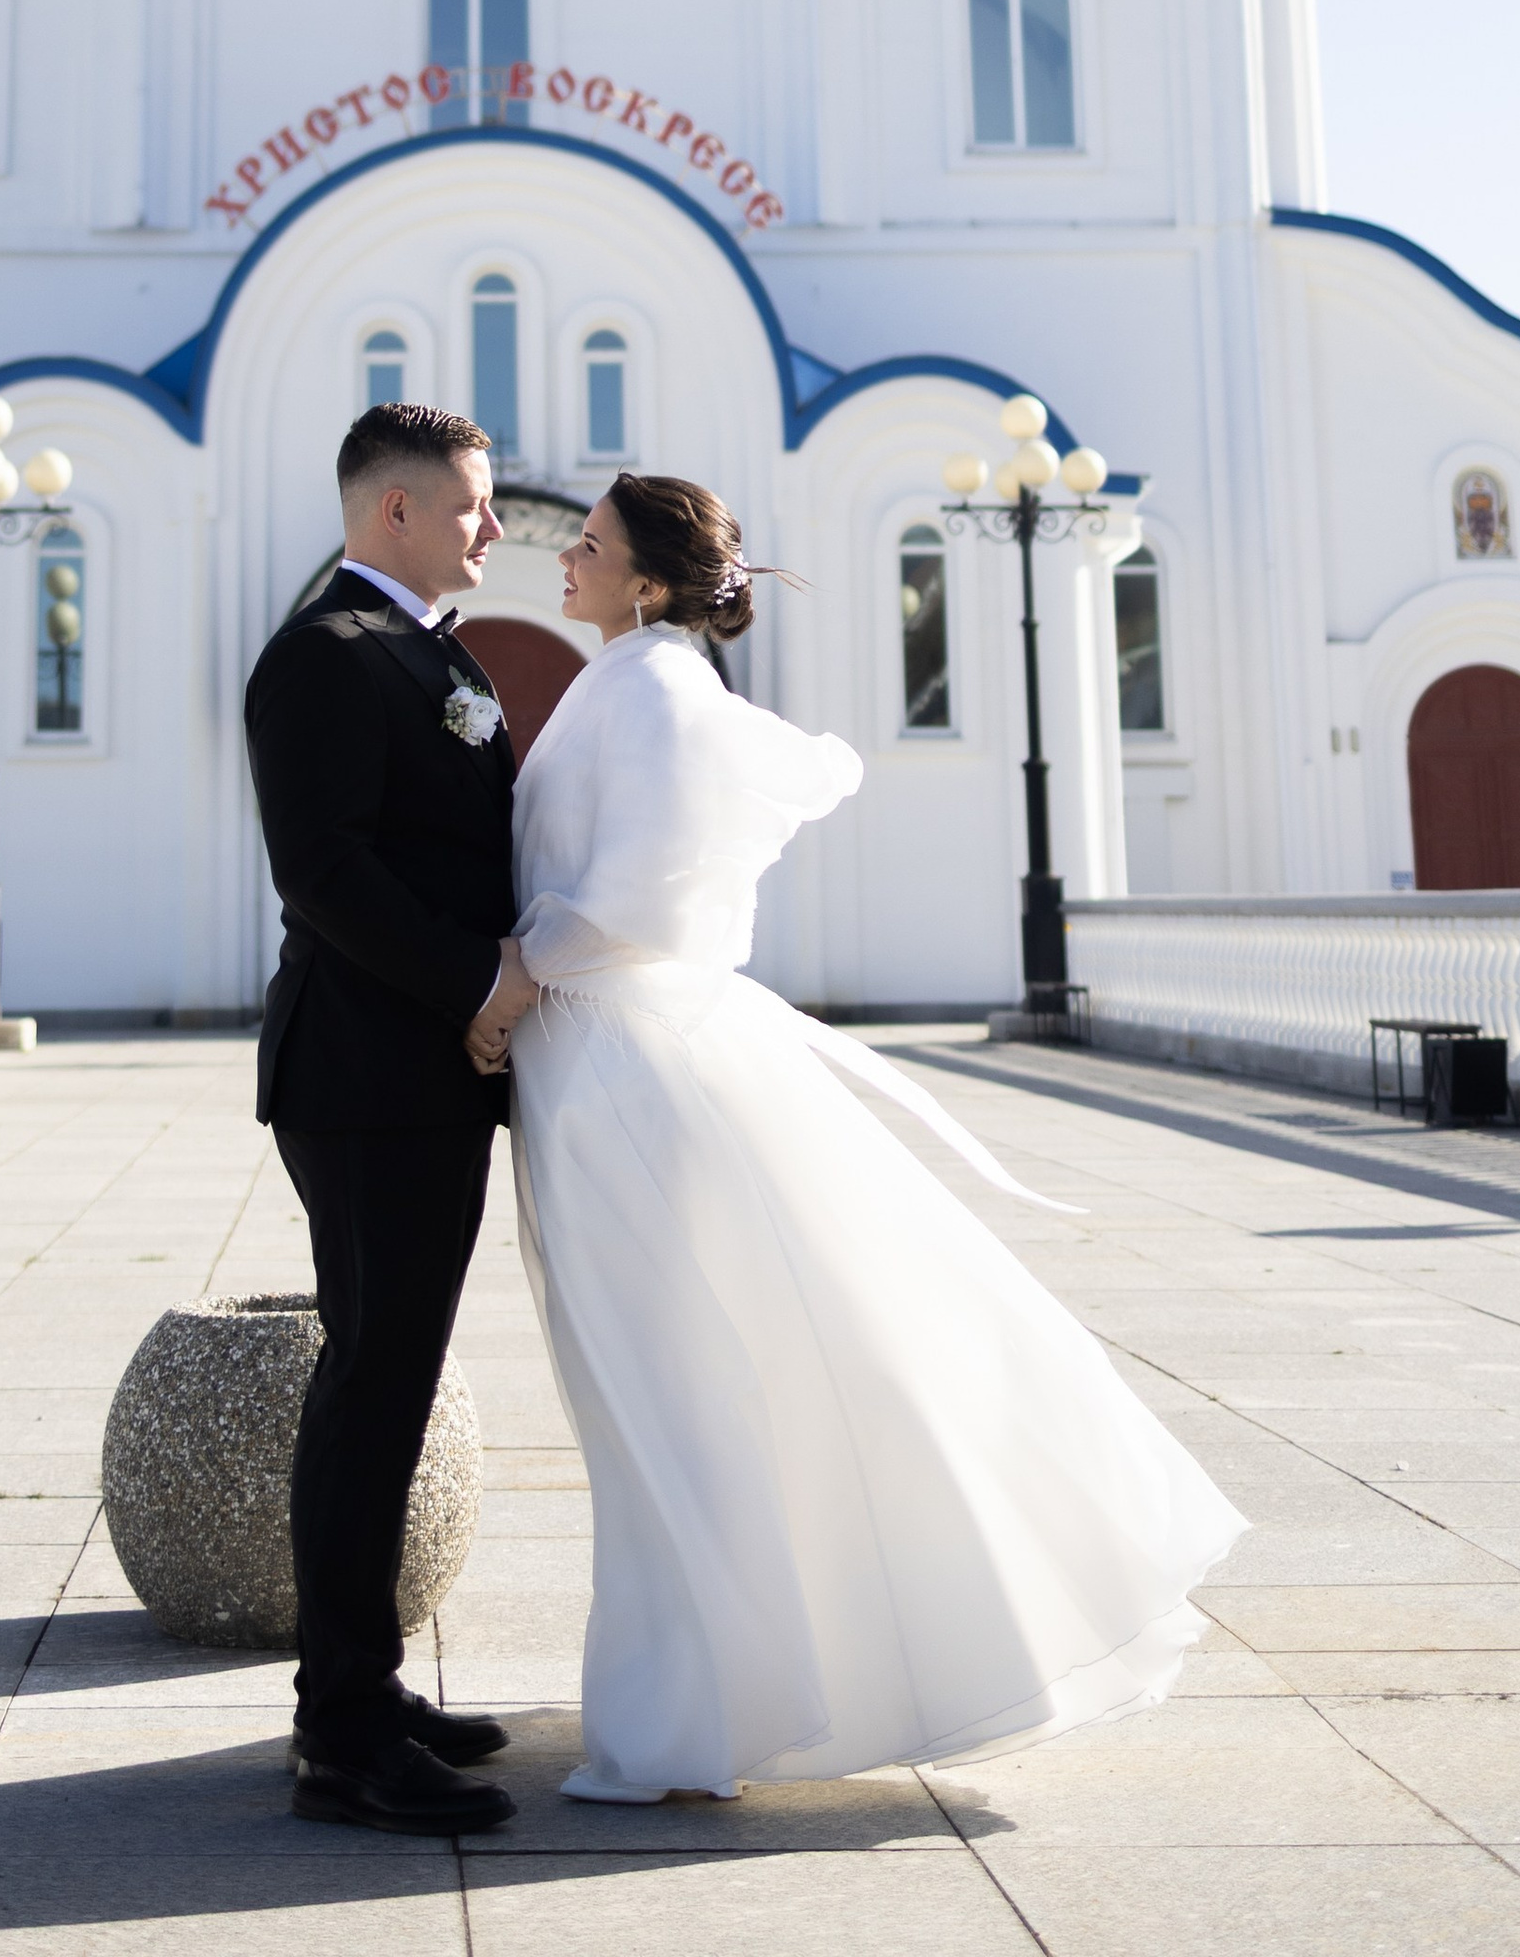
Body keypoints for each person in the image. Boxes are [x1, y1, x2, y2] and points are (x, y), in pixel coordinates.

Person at [467, 471, 1246, 1804]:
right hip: (592, 1061)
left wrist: (515, 977)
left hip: (619, 1059)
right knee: (664, 1387)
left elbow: (641, 892)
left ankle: (696, 1718)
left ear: (648, 582)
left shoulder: (654, 690)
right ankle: (710, 1687)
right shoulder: (633, 679)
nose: (565, 559)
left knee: (676, 1388)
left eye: (587, 546)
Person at [242, 400, 538, 1836]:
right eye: (473, 506)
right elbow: (327, 876)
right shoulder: (322, 656)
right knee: (371, 1386)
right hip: (366, 1078)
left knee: (396, 1382)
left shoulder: (425, 649)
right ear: (397, 511)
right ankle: (342, 1734)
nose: (495, 528)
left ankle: (363, 1685)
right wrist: (478, 983)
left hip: (421, 1075)